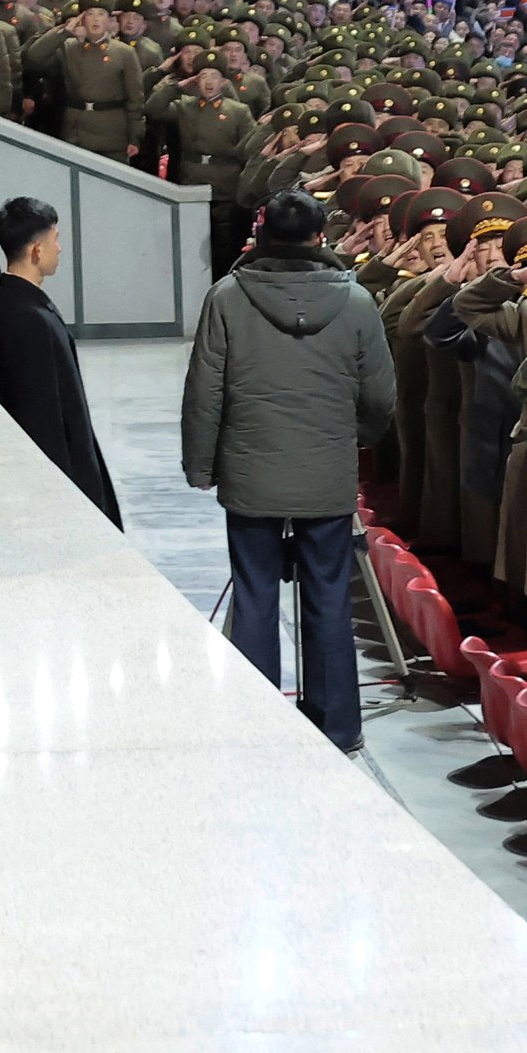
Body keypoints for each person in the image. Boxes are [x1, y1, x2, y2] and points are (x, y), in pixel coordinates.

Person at [180, 186, 395, 754]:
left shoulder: (227, 297)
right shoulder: (356, 303)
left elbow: (205, 390)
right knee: (328, 596)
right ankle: (338, 727)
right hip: (325, 475)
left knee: (254, 595)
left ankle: (256, 724)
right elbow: (380, 397)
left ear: (261, 235)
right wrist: (352, 443)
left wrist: (201, 466)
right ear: (321, 238)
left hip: (251, 475)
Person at [0, 194, 123, 524]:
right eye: (55, 240)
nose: (59, 248)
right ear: (36, 250)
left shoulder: (14, 304)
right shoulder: (24, 316)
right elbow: (42, 417)